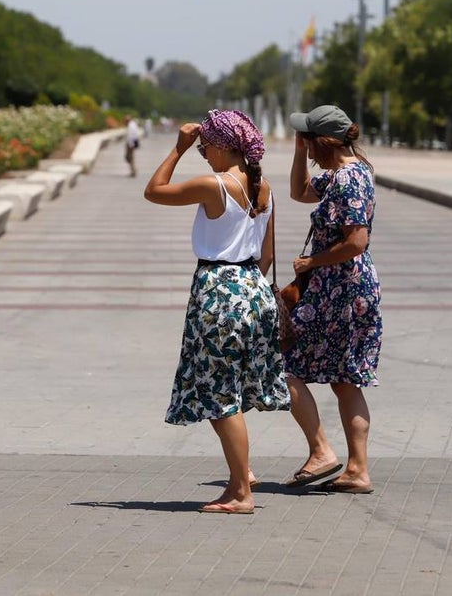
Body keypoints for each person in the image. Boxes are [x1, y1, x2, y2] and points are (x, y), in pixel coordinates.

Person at [143, 109, 290, 514]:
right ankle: (239, 479)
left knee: (220, 395)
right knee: (226, 392)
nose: (204, 153)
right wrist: (246, 291)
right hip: (252, 290)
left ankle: (242, 491)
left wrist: (178, 149)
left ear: (226, 146)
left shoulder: (215, 186)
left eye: (207, 147)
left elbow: (154, 190)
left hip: (219, 292)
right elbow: (268, 255)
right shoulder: (265, 189)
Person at [283, 104, 382, 494]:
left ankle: (322, 452)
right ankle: (357, 470)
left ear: (323, 141)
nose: (305, 146)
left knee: (283, 366)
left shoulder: (348, 179)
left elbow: (357, 241)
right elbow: (298, 192)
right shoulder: (344, 174)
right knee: (345, 380)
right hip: (340, 289)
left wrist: (312, 261)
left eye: (307, 140)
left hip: (341, 290)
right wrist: (295, 150)